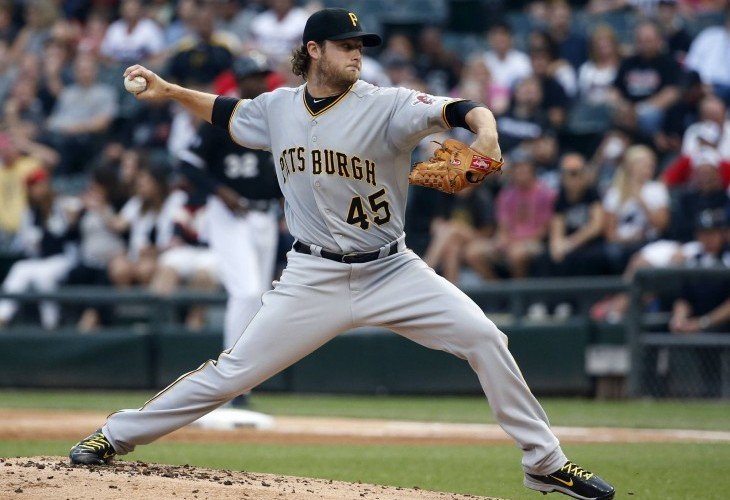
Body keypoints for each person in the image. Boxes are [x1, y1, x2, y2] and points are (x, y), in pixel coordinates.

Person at [69, 9, 615, 500]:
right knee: (232, 372)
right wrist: (169, 90)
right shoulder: (278, 109)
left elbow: (460, 109)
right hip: (312, 276)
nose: (357, 53)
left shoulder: (387, 105)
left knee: (485, 338)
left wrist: (487, 132)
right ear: (314, 50)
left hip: (392, 269)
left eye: (360, 45)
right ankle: (115, 434)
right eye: (346, 45)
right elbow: (227, 113)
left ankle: (545, 463)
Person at [177, 54, 282, 402]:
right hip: (229, 215)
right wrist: (219, 191)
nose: (260, 82)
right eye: (253, 76)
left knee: (260, 299)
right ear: (239, 80)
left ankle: (243, 384)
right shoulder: (223, 116)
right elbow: (187, 163)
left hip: (264, 217)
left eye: (263, 76)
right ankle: (228, 379)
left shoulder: (273, 117)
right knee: (246, 291)